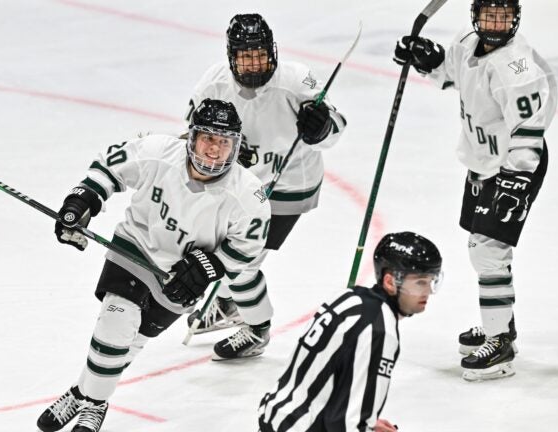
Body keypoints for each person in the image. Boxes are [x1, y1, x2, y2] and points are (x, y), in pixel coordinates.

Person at [36, 99, 271, 432]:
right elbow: (109, 167)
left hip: (181, 276)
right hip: (135, 249)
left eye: (224, 141)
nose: (214, 149)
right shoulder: (159, 151)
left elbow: (248, 249)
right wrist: (82, 199)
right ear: (192, 137)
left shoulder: (248, 194)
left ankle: (81, 393)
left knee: (129, 343)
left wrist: (209, 266)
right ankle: (97, 404)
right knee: (116, 321)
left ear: (235, 146)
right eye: (208, 138)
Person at [393, 0, 557, 381]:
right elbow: (451, 74)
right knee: (483, 250)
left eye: (503, 15)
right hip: (484, 163)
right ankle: (501, 325)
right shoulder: (467, 42)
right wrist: (427, 59)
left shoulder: (516, 68)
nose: (496, 23)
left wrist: (516, 181)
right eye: (489, 15)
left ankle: (499, 341)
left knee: (488, 251)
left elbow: (528, 130)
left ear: (515, 17)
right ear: (475, 15)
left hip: (514, 166)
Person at [185, 13, 348, 360]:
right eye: (245, 57)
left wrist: (321, 128)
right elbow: (193, 133)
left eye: (259, 55)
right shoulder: (214, 82)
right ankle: (228, 302)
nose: (253, 63)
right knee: (220, 247)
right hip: (239, 184)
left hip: (289, 185)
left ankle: (256, 329)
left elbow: (337, 126)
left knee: (241, 260)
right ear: (231, 56)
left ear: (272, 51)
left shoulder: (298, 80)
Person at [258, 232, 443, 432]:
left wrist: (366, 420)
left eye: (431, 281)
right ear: (390, 282)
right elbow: (348, 425)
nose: (428, 292)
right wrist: (362, 423)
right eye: (420, 283)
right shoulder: (379, 331)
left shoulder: (349, 298)